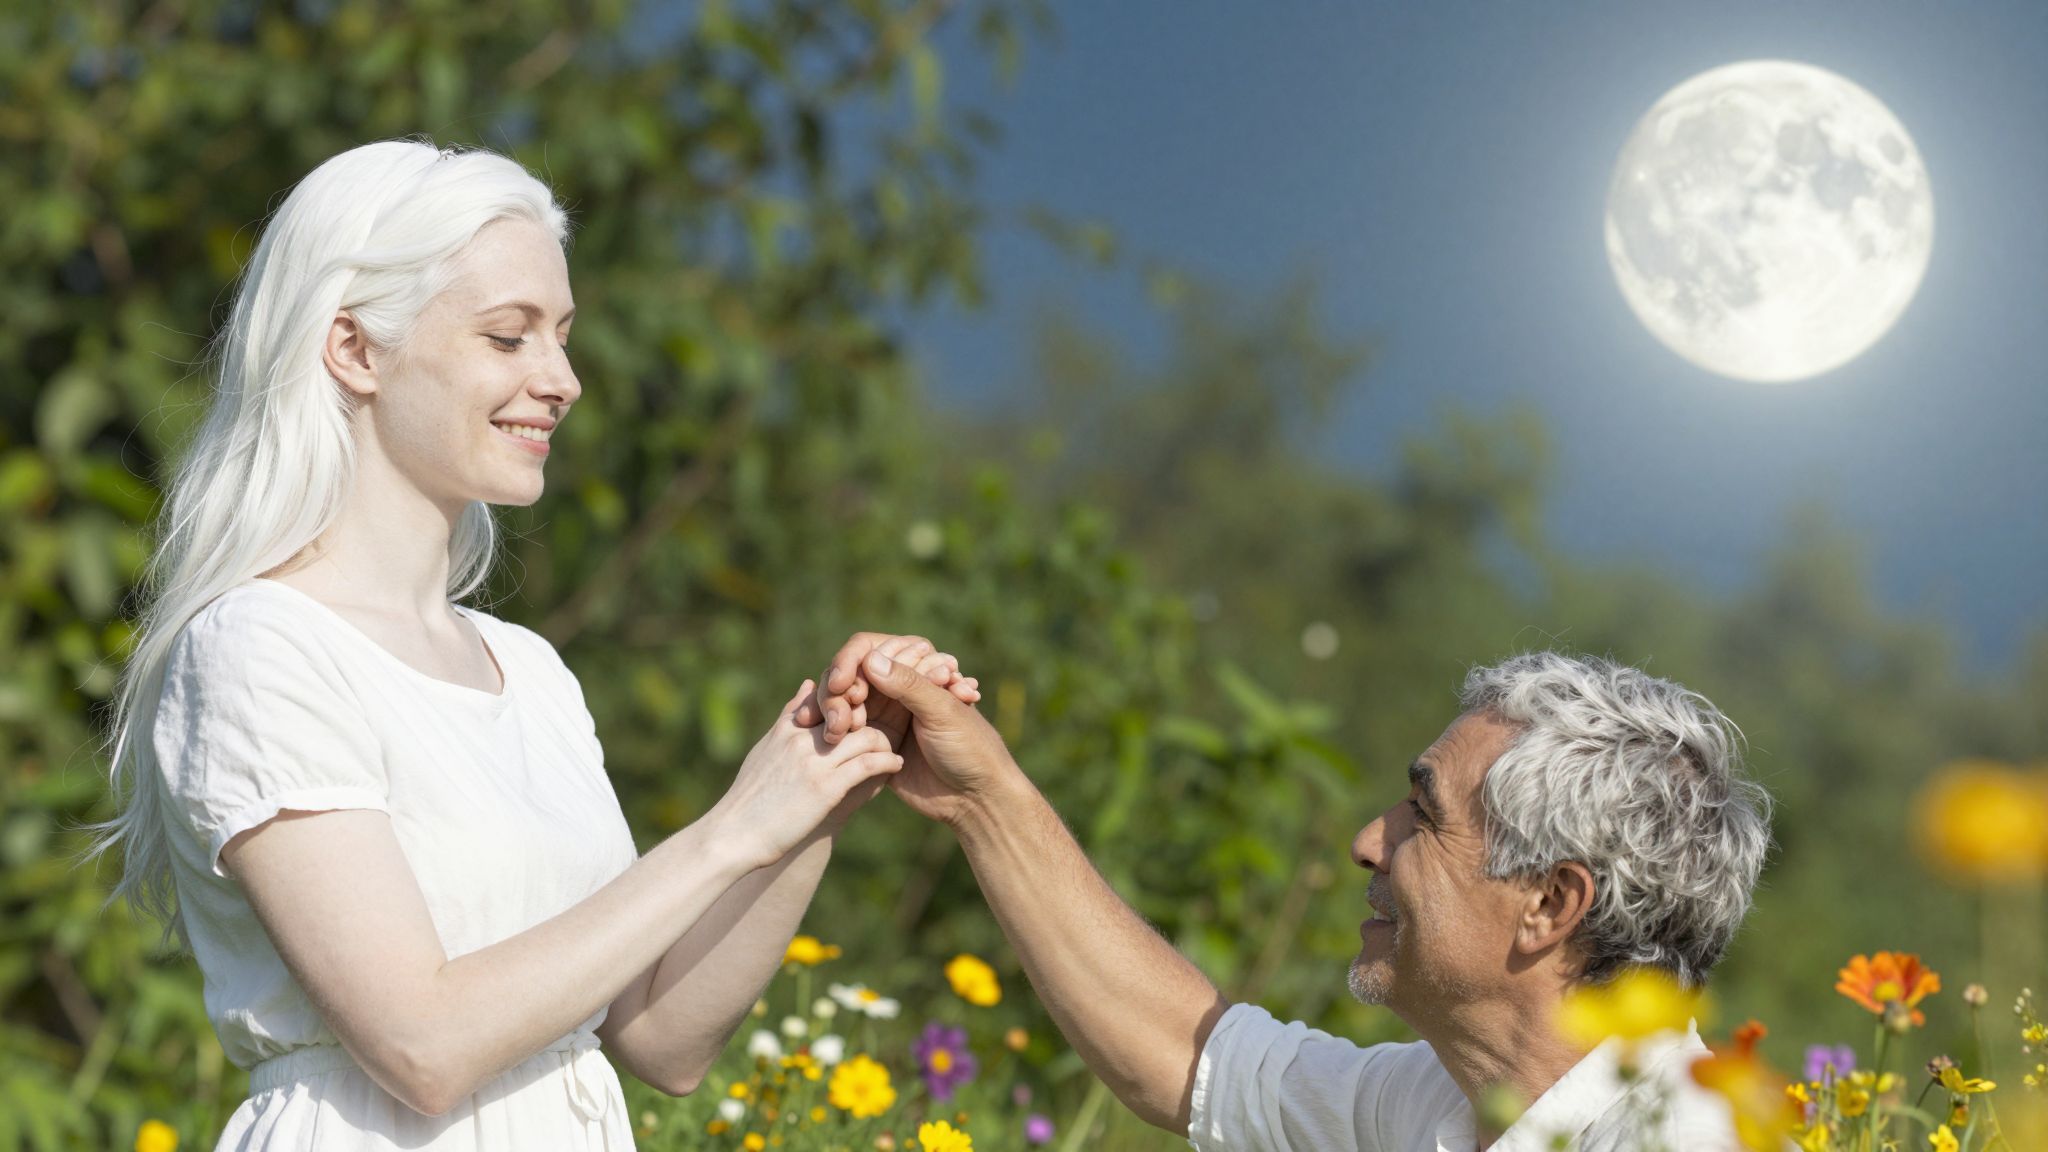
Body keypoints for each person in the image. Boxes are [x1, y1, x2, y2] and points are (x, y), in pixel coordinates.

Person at [80, 138, 980, 1150]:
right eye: (507, 337)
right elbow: (421, 1045)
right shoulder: (259, 648)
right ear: (352, 350)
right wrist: (727, 831)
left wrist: (811, 797)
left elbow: (660, 1040)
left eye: (560, 336)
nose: (561, 379)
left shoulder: (532, 673)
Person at [812, 646, 1776, 1151]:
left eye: (1421, 816)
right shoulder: (1442, 1103)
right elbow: (1195, 1066)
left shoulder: (1692, 1142)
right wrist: (986, 800)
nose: (1368, 842)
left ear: (1551, 905)